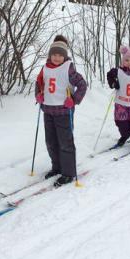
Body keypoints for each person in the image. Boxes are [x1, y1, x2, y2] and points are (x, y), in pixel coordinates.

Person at [35, 35, 88, 187]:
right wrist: (38, 95)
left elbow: (82, 85)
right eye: (54, 54)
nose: (57, 58)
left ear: (64, 56)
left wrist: (74, 99)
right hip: (48, 110)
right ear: (50, 55)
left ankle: (68, 173)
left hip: (64, 111)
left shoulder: (68, 68)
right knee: (51, 142)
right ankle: (57, 167)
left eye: (60, 55)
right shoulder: (45, 68)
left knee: (65, 143)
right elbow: (39, 84)